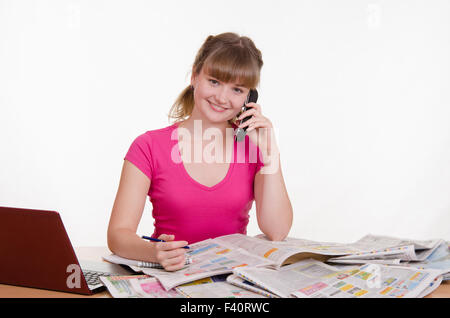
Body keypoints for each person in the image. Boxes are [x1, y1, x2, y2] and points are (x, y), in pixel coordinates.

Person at [107, 32, 293, 271]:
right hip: (170, 278)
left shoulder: (254, 149)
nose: (222, 98)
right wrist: (155, 253)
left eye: (237, 90)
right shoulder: (148, 146)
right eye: (214, 81)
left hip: (231, 283)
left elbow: (277, 231)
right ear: (195, 76)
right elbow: (118, 234)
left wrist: (270, 152)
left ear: (249, 97)